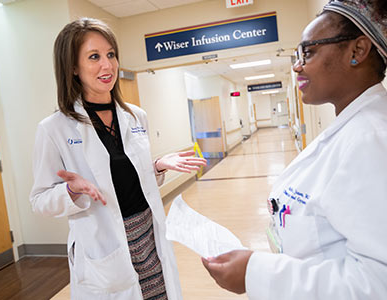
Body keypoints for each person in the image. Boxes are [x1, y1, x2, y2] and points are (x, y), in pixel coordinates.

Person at [202, 0, 387, 299]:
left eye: (309, 52)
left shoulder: (373, 140)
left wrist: (256, 273)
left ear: (357, 51)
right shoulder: (351, 129)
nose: (298, 66)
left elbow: (378, 284)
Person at [30, 18, 206, 300]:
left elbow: (127, 179)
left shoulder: (136, 116)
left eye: (111, 54)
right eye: (94, 57)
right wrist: (71, 191)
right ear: (73, 67)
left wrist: (156, 167)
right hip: (105, 246)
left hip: (149, 237)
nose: (107, 65)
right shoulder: (54, 129)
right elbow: (39, 200)